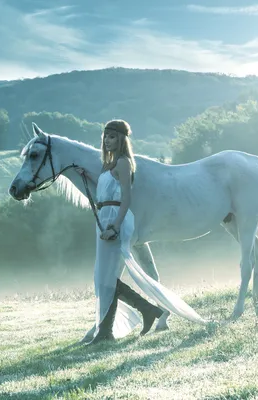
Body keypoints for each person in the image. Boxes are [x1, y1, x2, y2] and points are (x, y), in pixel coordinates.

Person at [77, 119, 207, 345]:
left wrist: (116, 225)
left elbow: (126, 197)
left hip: (117, 219)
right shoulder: (108, 165)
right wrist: (83, 175)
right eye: (105, 136)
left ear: (122, 139)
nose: (108, 141)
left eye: (112, 137)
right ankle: (141, 313)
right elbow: (104, 188)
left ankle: (109, 330)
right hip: (105, 218)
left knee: (105, 277)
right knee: (103, 277)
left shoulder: (124, 163)